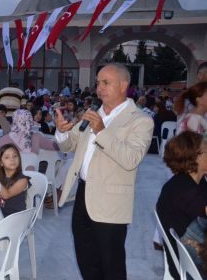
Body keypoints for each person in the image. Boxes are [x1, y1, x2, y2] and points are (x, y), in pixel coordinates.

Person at [54, 63, 154, 279]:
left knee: (111, 265)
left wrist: (101, 131)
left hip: (110, 201)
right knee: (86, 259)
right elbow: (71, 144)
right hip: (83, 194)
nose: (100, 88)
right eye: (98, 82)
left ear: (123, 85)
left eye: (106, 82)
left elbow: (131, 159)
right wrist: (62, 132)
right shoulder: (93, 114)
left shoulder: (140, 120)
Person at [156, 131, 207, 278]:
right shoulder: (187, 192)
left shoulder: (192, 181)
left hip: (189, 256)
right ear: (195, 157)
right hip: (192, 266)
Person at [0, 143, 30, 217]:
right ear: (1, 163)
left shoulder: (23, 180)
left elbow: (6, 195)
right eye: (7, 157)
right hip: (0, 215)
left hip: (14, 219)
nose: (12, 159)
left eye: (15, 156)